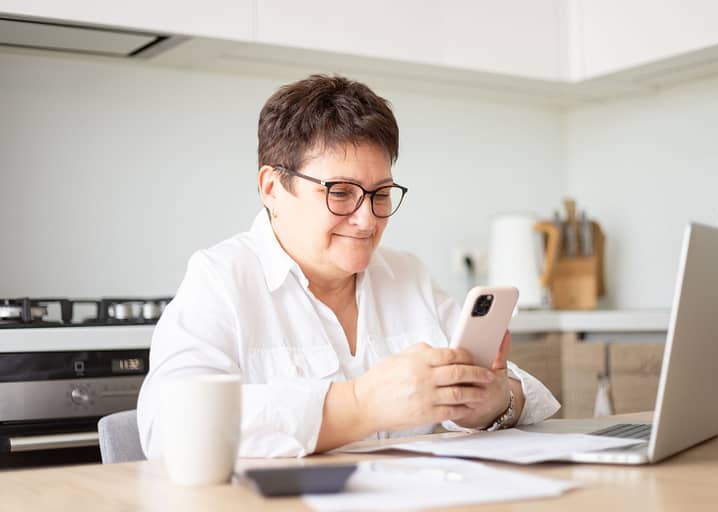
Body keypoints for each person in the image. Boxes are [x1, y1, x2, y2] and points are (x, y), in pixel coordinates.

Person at [137, 74, 559, 458]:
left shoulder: (407, 275)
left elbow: (523, 392)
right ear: (272, 188)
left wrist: (495, 403)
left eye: (380, 194)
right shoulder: (222, 279)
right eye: (340, 192)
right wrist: (360, 405)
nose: (368, 219)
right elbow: (171, 424)